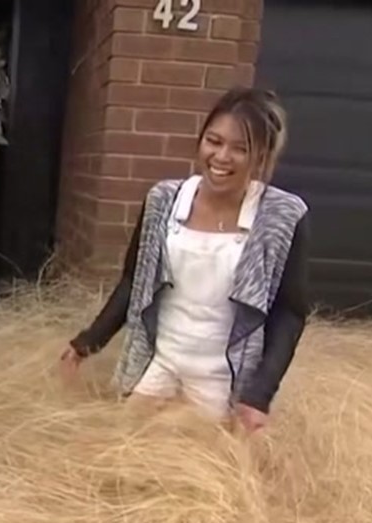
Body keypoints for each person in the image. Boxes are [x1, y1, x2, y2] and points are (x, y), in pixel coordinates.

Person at [61, 87, 311, 432]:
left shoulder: (282, 216)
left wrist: (259, 395)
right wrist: (88, 342)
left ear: (262, 157)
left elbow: (290, 312)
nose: (222, 156)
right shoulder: (163, 200)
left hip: (223, 385)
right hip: (159, 367)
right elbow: (134, 281)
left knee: (203, 476)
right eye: (214, 140)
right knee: (124, 456)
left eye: (241, 148)